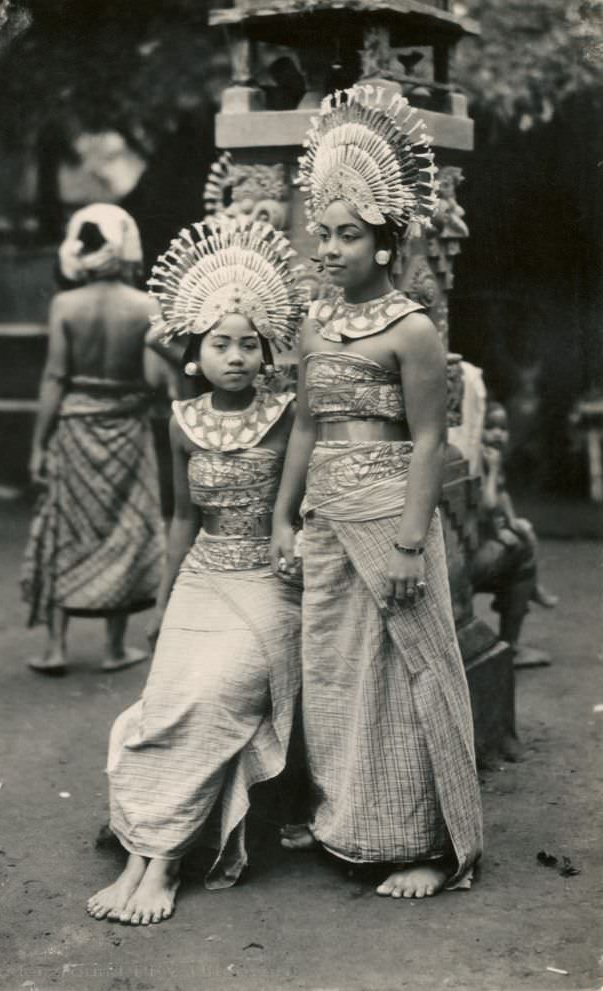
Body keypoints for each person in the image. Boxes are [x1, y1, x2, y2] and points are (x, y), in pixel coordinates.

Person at [271, 85, 483, 898]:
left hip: (391, 518)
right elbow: (303, 428)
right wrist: (284, 519)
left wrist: (406, 543)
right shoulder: (315, 326)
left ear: (386, 244)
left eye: (347, 236)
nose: (328, 248)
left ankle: (425, 843)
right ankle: (349, 821)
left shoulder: (413, 330)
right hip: (326, 517)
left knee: (406, 672)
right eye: (320, 232)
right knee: (335, 671)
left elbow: (431, 439)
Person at [87, 218, 303, 926]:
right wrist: (163, 604)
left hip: (267, 585)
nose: (235, 356)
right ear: (196, 353)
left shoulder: (288, 416)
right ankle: (138, 856)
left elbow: (297, 510)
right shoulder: (182, 421)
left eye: (248, 342)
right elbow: (183, 518)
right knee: (166, 697)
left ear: (266, 348)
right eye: (219, 343)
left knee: (215, 694)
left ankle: (167, 861)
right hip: (202, 578)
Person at [22, 203, 165, 675]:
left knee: (65, 527)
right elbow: (152, 380)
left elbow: (54, 378)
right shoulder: (147, 306)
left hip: (75, 426)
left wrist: (39, 445)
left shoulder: (65, 305)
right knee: (125, 532)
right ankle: (113, 648)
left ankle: (57, 647)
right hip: (126, 427)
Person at [473, 400, 558, 667]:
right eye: (490, 427)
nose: (498, 433)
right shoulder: (480, 458)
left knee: (526, 533)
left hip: (490, 531)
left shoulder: (492, 454)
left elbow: (502, 495)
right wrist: (499, 533)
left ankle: (534, 588)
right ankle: (513, 641)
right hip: (478, 538)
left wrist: (512, 521)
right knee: (521, 547)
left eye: (503, 428)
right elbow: (485, 505)